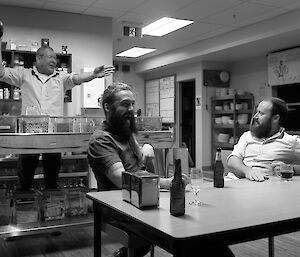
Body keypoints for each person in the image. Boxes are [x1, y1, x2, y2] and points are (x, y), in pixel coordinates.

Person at [88, 82, 235, 257]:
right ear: (107, 107)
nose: (132, 109)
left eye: (133, 104)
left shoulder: (126, 134)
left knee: (203, 227)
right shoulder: (101, 141)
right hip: (119, 209)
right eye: (125, 104)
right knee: (192, 233)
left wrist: (146, 153)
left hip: (142, 202)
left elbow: (143, 172)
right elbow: (122, 180)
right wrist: (166, 182)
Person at [0, 25, 115, 191]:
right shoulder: (24, 75)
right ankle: (25, 203)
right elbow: (1, 73)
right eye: (50, 57)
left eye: (55, 57)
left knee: (52, 178)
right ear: (38, 59)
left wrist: (93, 75)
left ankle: (50, 206)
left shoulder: (61, 78)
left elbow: (77, 78)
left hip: (53, 134)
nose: (54, 60)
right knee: (25, 177)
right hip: (30, 133)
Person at [227, 97, 300, 182]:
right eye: (257, 112)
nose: (255, 116)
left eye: (261, 113)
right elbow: (232, 161)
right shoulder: (247, 136)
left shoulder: (291, 142)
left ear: (275, 118)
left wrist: (292, 168)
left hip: (259, 187)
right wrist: (247, 171)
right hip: (232, 181)